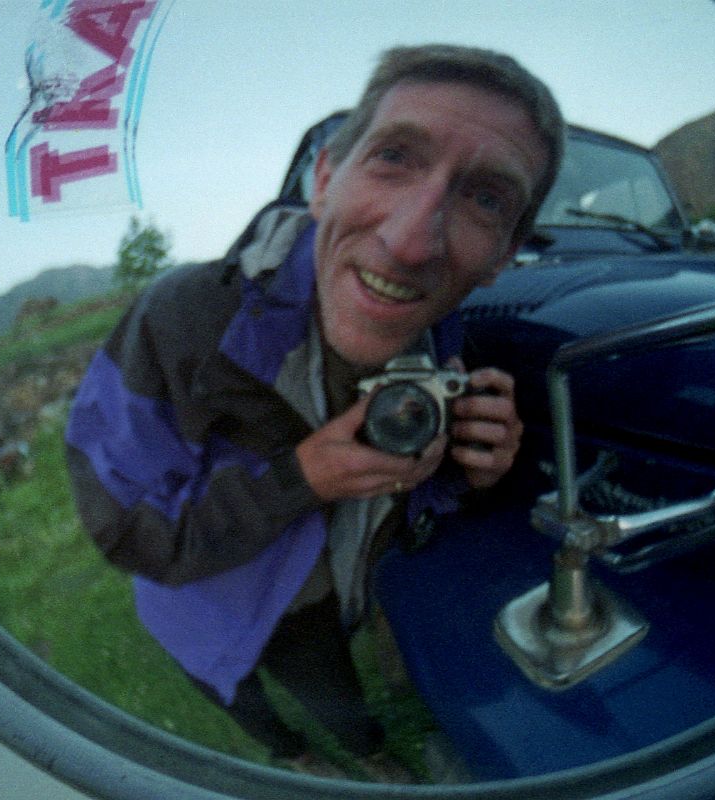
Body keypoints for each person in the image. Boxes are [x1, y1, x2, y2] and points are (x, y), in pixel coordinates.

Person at [64, 43, 564, 762]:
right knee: (244, 704)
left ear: (502, 259)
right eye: (395, 156)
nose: (409, 241)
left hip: (317, 606)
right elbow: (122, 533)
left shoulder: (440, 330)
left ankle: (368, 760)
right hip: (197, 609)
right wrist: (300, 478)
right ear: (324, 178)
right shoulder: (180, 320)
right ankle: (287, 759)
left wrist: (466, 469)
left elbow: (406, 492)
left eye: (485, 199)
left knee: (340, 702)